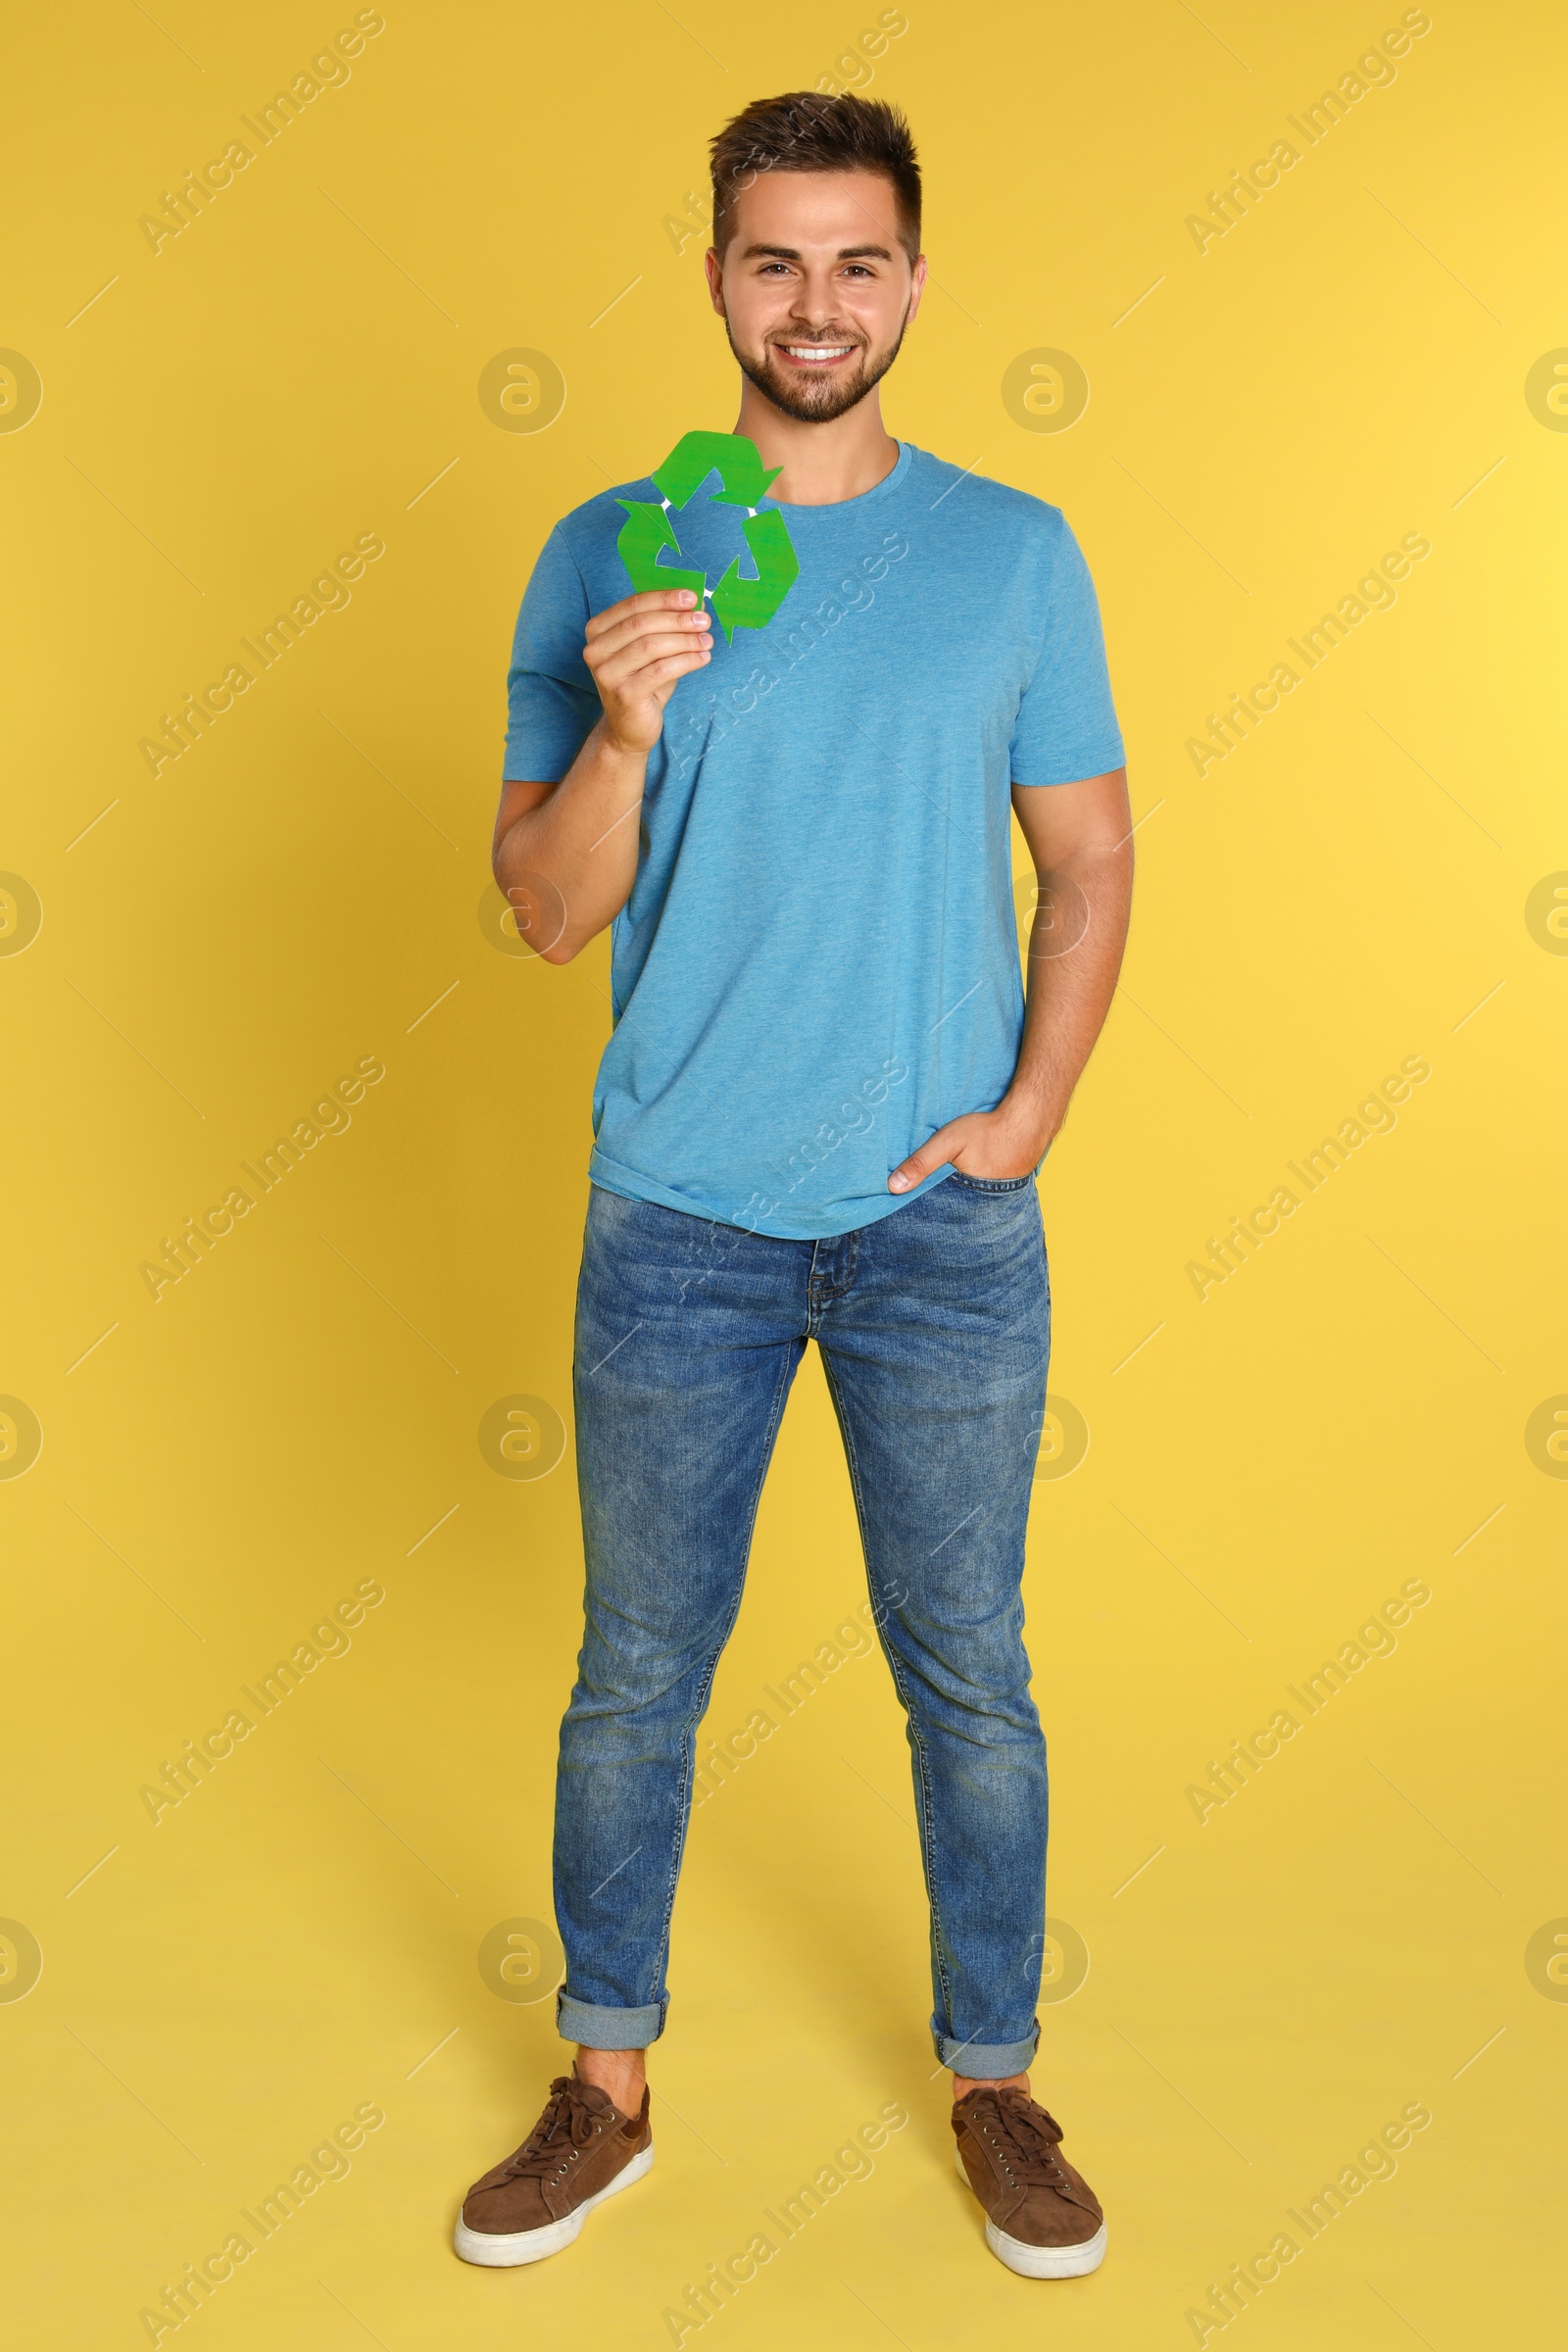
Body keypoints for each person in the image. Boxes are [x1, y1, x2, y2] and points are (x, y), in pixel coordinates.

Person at [456, 89, 1131, 2282]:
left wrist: (1023, 1115)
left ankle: (995, 2079)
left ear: (911, 283)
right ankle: (605, 2085)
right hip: (679, 1222)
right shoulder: (605, 550)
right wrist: (631, 730)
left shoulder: (1015, 551)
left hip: (940, 1226)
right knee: (635, 1668)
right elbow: (542, 913)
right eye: (773, 259)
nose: (815, 300)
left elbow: (1090, 857)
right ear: (715, 276)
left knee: (968, 1667)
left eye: (856, 260)